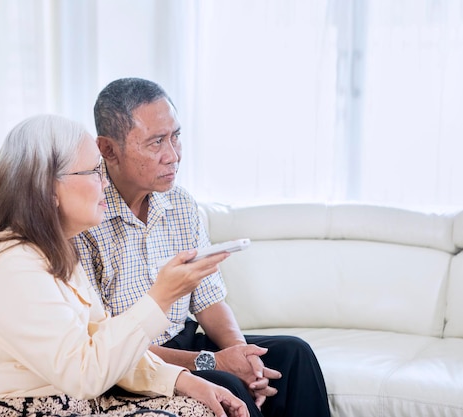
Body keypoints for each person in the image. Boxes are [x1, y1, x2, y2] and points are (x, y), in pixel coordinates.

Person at [0, 114, 250, 417]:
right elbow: (85, 374)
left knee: (205, 403)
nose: (106, 185)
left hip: (61, 400)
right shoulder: (10, 263)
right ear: (48, 187)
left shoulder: (51, 251)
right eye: (94, 172)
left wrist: (181, 379)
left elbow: (98, 344)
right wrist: (161, 297)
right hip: (0, 408)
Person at [74, 78, 332, 417]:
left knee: (294, 355)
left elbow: (209, 301)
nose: (173, 155)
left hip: (183, 341)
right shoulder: (84, 220)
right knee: (229, 386)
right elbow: (105, 348)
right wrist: (215, 362)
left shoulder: (180, 204)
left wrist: (242, 355)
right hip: (130, 363)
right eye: (156, 143)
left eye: (176, 136)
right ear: (108, 149)